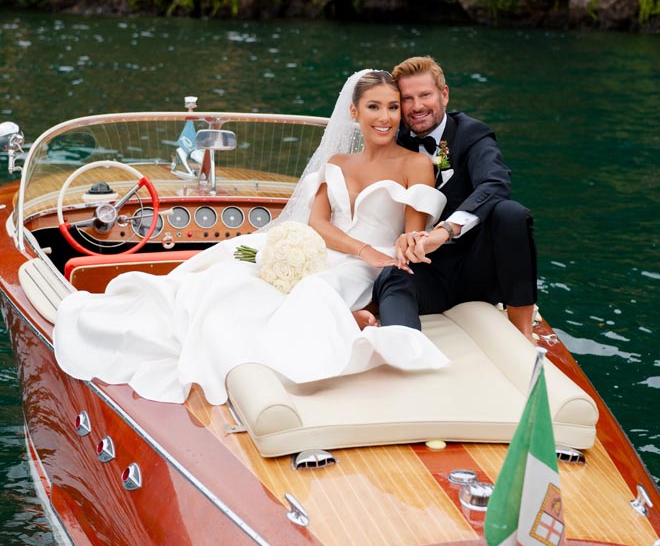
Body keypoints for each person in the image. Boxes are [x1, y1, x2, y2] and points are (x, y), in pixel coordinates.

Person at [53, 69, 450, 406]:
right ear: (354, 112)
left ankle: (346, 322)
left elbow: (411, 235)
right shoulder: (337, 162)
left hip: (372, 263)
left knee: (307, 293)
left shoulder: (416, 163)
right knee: (226, 273)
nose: (385, 117)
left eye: (393, 107)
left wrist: (380, 255)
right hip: (330, 247)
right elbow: (319, 224)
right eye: (374, 107)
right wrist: (353, 247)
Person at [373, 56, 538, 340]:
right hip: (423, 272)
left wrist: (446, 230)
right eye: (407, 99)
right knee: (394, 274)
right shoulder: (390, 138)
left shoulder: (472, 134)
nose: (417, 107)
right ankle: (402, 348)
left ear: (444, 94)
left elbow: (495, 182)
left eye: (425, 95)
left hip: (476, 270)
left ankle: (523, 335)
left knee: (510, 214)